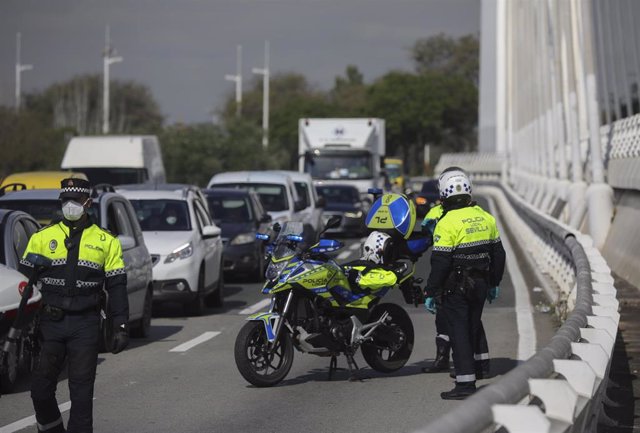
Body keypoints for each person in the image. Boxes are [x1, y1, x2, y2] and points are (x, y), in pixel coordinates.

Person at [18, 178, 129, 433]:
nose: (70, 206)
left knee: (81, 394)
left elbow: (117, 287)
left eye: (75, 201)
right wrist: (18, 326)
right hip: (50, 324)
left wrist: (120, 324)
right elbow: (23, 285)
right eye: (65, 201)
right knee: (40, 391)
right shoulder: (42, 238)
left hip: (85, 324)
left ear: (87, 203)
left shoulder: (106, 241)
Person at [423, 167, 505, 400]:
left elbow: (440, 262)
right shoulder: (485, 217)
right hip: (480, 284)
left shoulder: (446, 222)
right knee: (472, 326)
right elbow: (498, 254)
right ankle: (478, 369)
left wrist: (430, 290)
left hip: (456, 286)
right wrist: (494, 282)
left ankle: (465, 385)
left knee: (459, 333)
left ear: (443, 196)